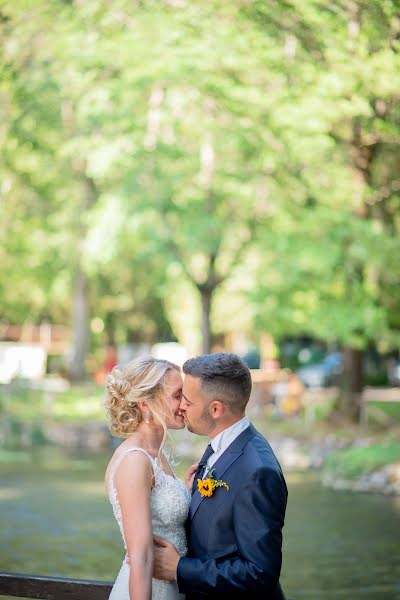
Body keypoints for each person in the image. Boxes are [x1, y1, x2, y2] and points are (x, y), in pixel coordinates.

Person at [153, 352, 288, 600]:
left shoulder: (258, 471)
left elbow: (260, 573)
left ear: (216, 409)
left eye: (188, 401)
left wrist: (179, 569)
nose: (181, 406)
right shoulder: (223, 444)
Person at [104, 356, 195, 600]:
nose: (185, 403)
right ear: (145, 404)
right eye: (177, 395)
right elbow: (142, 557)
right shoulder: (135, 460)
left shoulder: (157, 454)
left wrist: (184, 490)